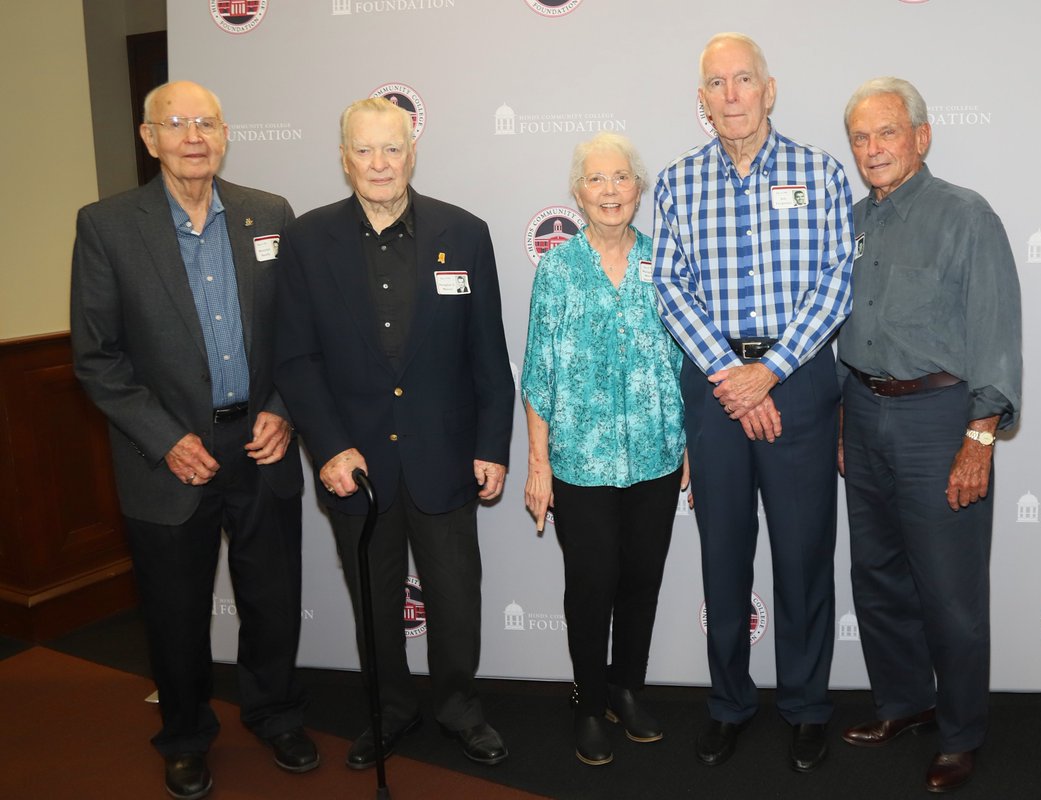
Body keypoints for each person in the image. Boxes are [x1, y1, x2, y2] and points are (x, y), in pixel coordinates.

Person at [70, 80, 316, 800]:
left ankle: (275, 715)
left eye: (205, 122)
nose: (192, 136)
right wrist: (165, 437)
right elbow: (97, 357)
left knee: (273, 598)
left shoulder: (269, 215)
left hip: (262, 447)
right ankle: (184, 735)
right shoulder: (108, 225)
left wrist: (282, 408)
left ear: (224, 133)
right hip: (168, 460)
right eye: (174, 123)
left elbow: (300, 333)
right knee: (175, 614)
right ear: (149, 139)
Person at [274, 97, 514, 769]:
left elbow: (488, 357)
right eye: (364, 149)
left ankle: (461, 708)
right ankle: (390, 712)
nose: (379, 163)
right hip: (355, 463)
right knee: (376, 606)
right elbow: (295, 358)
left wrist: (492, 448)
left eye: (392, 148)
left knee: (456, 603)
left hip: (445, 459)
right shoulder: (307, 240)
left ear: (412, 152)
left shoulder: (464, 233)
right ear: (343, 156)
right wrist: (326, 445)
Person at [652, 33, 854, 772]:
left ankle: (805, 707)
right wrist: (730, 378)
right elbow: (670, 288)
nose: (731, 94)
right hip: (713, 391)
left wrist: (767, 372)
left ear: (769, 90)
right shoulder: (676, 182)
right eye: (716, 83)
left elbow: (836, 281)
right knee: (723, 555)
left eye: (744, 79)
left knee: (803, 557)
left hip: (796, 383)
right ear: (701, 100)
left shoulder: (821, 172)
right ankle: (730, 702)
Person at [838, 77, 1022, 793]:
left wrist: (979, 439)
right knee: (878, 575)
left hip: (939, 420)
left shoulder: (965, 216)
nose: (874, 148)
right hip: (864, 410)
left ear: (921, 135)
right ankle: (903, 702)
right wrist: (848, 421)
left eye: (888, 132)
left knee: (949, 589)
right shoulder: (849, 220)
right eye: (861, 136)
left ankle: (960, 731)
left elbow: (996, 330)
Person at [521, 133, 688, 766]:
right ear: (577, 192)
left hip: (656, 456)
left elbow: (683, 362)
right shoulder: (558, 269)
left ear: (639, 190)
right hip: (580, 466)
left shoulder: (664, 261)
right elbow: (538, 374)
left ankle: (626, 690)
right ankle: (589, 702)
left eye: (622, 178)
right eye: (597, 179)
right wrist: (538, 465)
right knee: (591, 585)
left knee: (642, 582)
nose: (611, 190)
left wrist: (690, 446)